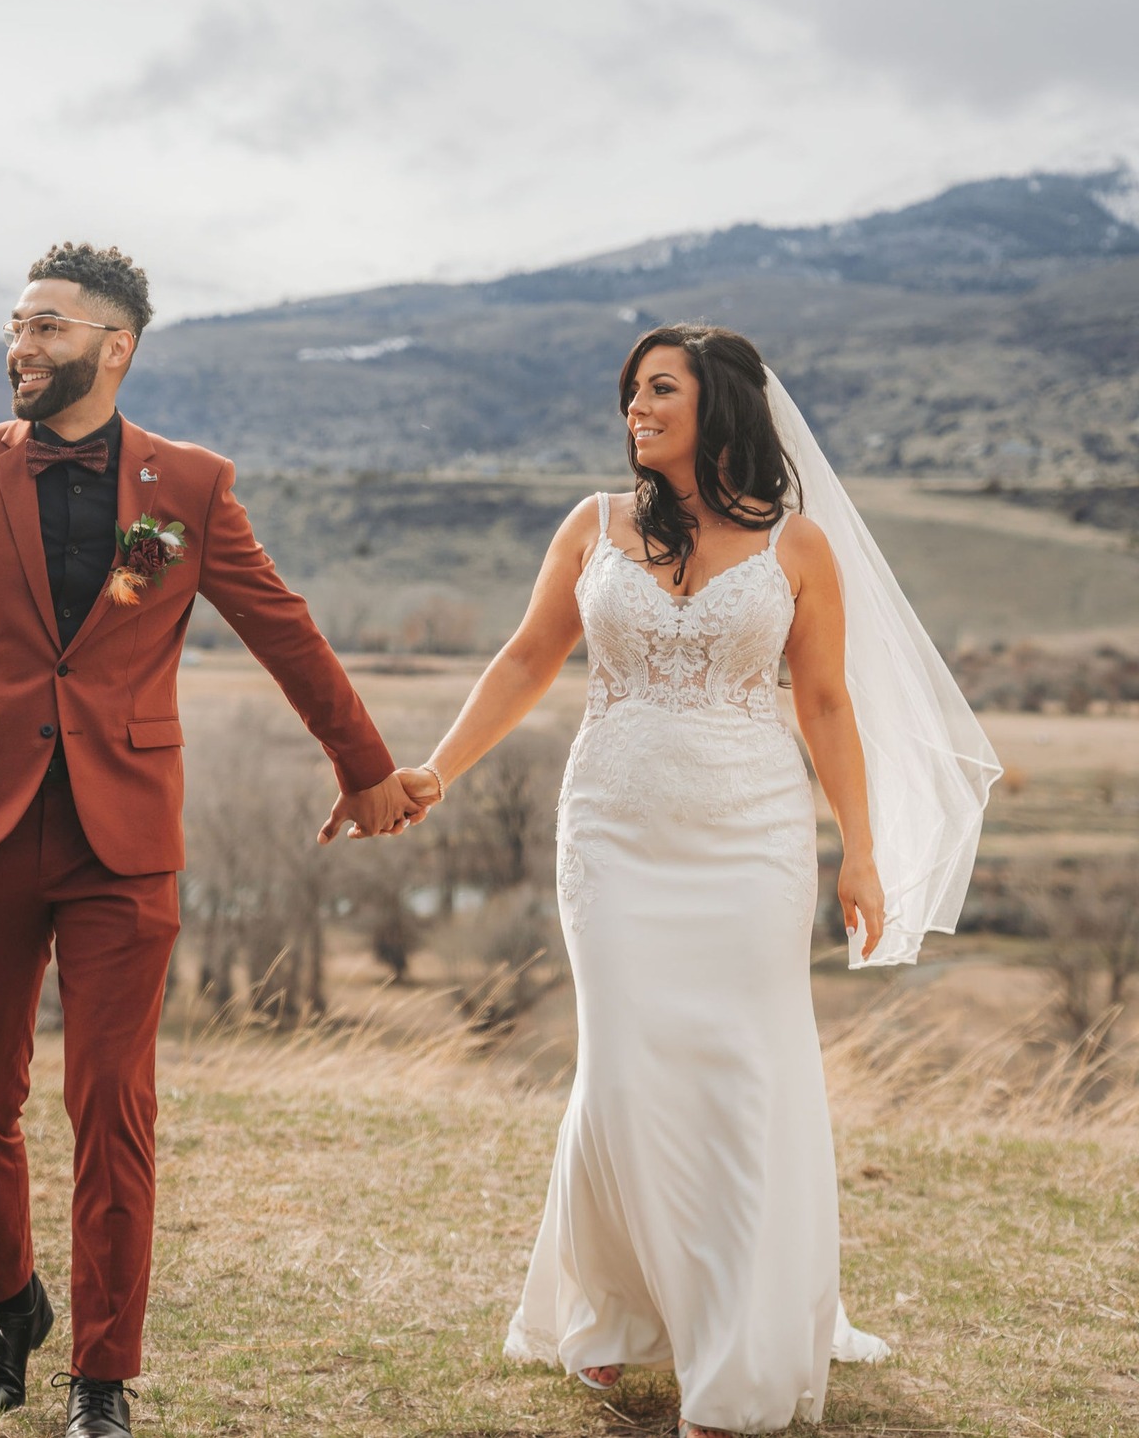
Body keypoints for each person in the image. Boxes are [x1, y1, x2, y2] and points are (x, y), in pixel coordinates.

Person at [396, 324, 996, 1436]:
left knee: (737, 1074)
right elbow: (531, 656)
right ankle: (611, 1317)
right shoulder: (594, 525)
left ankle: (734, 1357)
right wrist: (437, 767)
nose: (635, 406)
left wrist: (859, 849)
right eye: (630, 390)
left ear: (715, 405)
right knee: (624, 1071)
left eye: (658, 388)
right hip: (614, 833)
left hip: (753, 838)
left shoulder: (799, 549)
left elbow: (824, 704)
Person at [0, 241, 421, 1437]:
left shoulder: (187, 488)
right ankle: (7, 1303)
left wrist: (367, 767)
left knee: (111, 1099)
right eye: (17, 324)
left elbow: (285, 628)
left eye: (50, 327)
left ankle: (101, 1372)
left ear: (114, 348)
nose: (22, 344)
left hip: (124, 842)